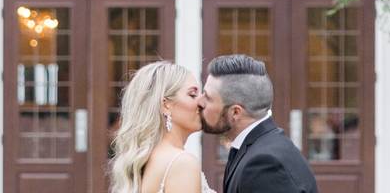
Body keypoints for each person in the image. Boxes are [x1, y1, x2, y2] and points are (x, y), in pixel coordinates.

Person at [199, 54, 319, 193]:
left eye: (207, 97)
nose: (200, 102)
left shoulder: (264, 165)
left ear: (235, 112)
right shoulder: (262, 146)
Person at [110, 61, 217, 193]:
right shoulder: (182, 163)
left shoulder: (146, 160)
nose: (201, 102)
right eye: (192, 95)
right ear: (165, 105)